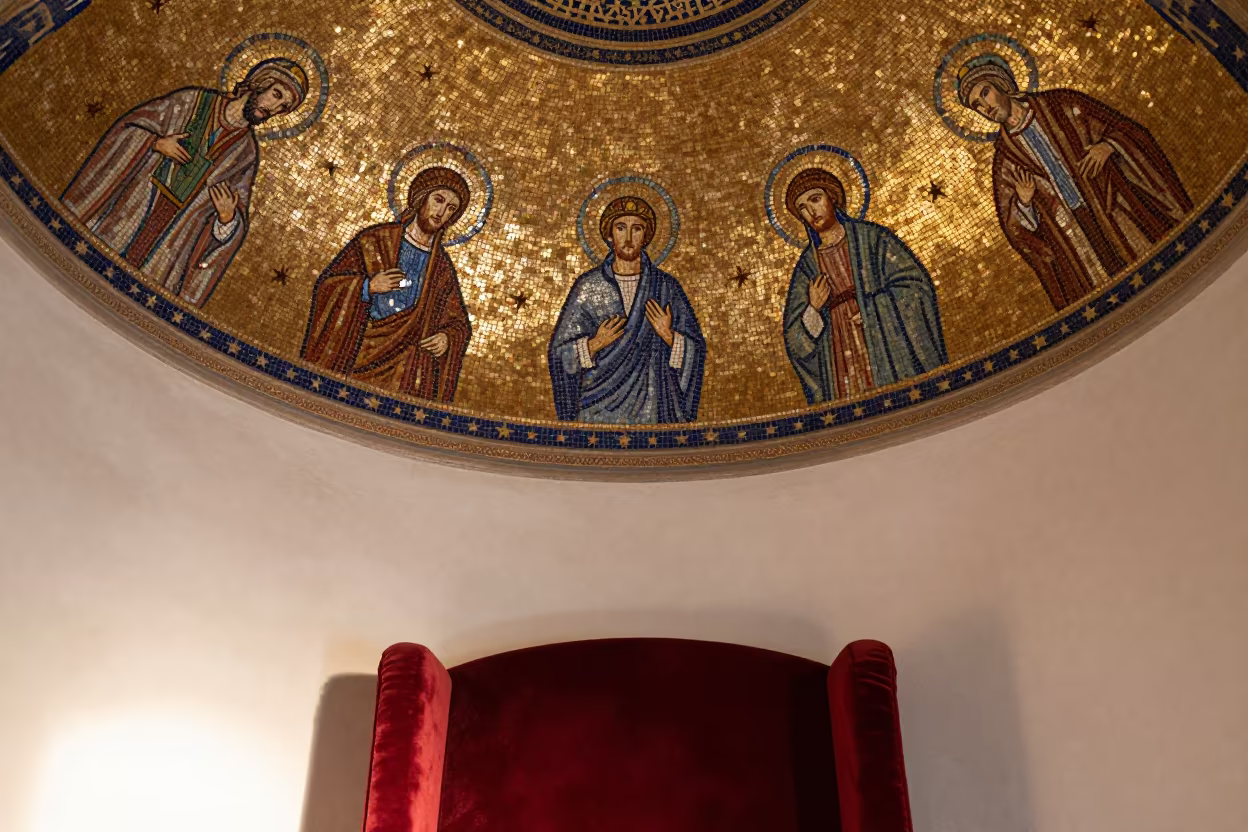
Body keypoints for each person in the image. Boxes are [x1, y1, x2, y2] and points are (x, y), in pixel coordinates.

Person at [62, 58, 309, 307]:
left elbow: (237, 218)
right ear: (259, 84)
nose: (274, 107)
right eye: (275, 94)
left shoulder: (246, 154)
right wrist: (154, 144)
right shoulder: (191, 102)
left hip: (173, 241)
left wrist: (227, 218)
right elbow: (128, 128)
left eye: (283, 106)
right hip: (129, 210)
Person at [958, 54, 1192, 310]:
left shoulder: (1061, 105)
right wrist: (1024, 203)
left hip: (1113, 206)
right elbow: (1013, 225)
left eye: (985, 93)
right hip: (1072, 235)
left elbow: (1127, 131)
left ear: (1000, 84)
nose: (985, 106)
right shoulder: (1006, 159)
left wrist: (1108, 145)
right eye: (976, 105)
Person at [301, 167, 473, 403]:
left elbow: (457, 322)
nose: (442, 212)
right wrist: (366, 287)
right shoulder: (374, 240)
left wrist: (447, 338)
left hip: (406, 371)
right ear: (422, 199)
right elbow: (328, 286)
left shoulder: (442, 268)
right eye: (439, 200)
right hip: (359, 351)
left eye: (451, 208)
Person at [782, 168, 947, 405]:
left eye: (815, 199)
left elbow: (916, 287)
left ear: (832, 198)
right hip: (839, 359)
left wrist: (874, 310)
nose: (811, 211)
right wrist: (813, 309)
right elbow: (795, 341)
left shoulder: (873, 239)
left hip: (884, 346)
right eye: (802, 208)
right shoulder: (807, 266)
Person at [548, 196, 705, 424]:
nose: (629, 238)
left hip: (654, 411)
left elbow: (697, 352)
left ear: (646, 236)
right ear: (609, 235)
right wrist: (594, 344)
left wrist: (669, 336)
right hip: (597, 411)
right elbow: (558, 355)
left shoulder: (666, 287)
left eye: (637, 229)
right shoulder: (588, 286)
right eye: (621, 228)